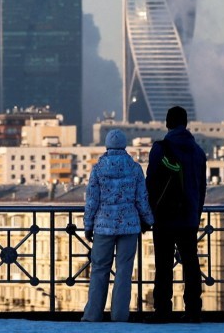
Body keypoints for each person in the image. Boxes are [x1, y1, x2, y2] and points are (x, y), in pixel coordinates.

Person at [82, 128, 155, 322]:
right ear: (124, 145)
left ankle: (92, 315)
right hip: (129, 226)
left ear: (107, 145)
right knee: (124, 271)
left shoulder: (98, 168)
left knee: (99, 269)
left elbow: (91, 201)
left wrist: (88, 225)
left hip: (103, 226)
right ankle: (119, 316)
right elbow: (142, 199)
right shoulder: (134, 168)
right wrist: (149, 220)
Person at [146, 105, 208, 323]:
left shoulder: (160, 149)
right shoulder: (198, 152)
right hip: (189, 217)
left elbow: (151, 183)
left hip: (164, 217)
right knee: (191, 264)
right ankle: (193, 310)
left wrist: (149, 214)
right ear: (186, 123)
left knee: (163, 265)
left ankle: (162, 310)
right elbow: (202, 188)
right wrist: (196, 214)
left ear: (167, 123)